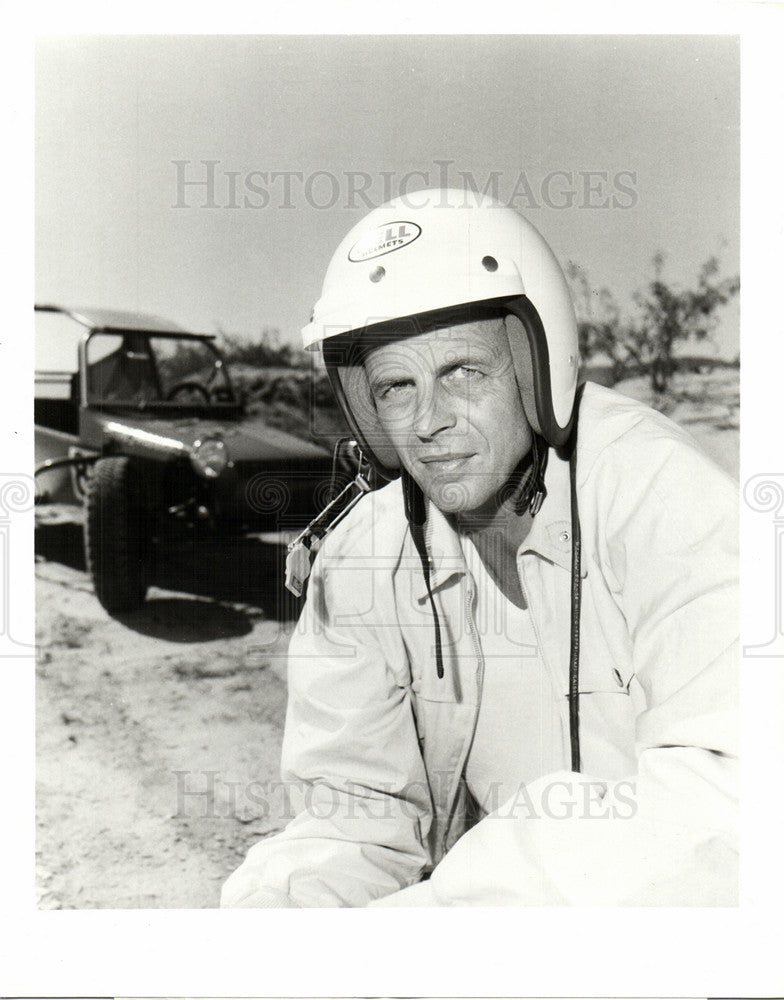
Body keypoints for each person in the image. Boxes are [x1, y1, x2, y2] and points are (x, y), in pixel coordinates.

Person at [221, 188, 738, 907]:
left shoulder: (662, 497)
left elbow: (722, 814)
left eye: (463, 373)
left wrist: (433, 928)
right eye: (396, 388)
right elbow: (353, 819)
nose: (429, 422)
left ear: (535, 367)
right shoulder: (361, 556)